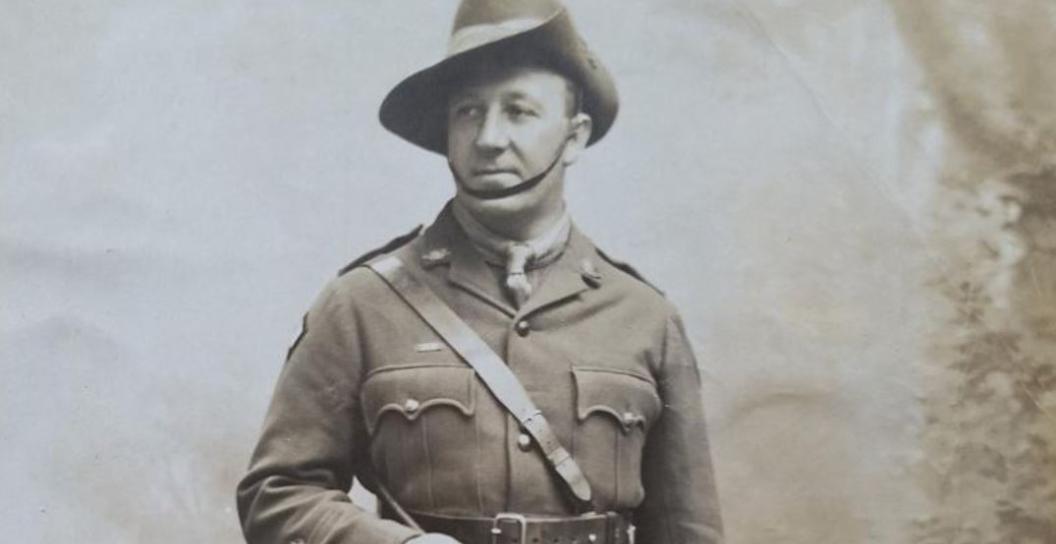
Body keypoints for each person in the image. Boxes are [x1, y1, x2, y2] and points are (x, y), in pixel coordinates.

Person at [236, 1, 724, 542]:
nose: (489, 138)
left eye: (519, 111)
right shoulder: (361, 304)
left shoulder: (644, 318)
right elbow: (275, 495)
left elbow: (689, 531)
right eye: (469, 111)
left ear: (575, 136)